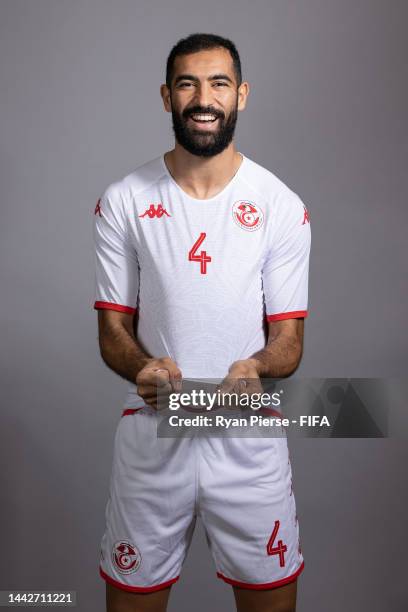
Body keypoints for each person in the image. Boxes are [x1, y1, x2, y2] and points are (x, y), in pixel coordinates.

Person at [93, 32, 311, 612]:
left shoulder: (279, 205)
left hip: (248, 440)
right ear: (167, 97)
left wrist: (257, 366)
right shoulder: (125, 199)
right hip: (153, 432)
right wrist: (144, 368)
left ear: (241, 95)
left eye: (218, 83)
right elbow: (111, 332)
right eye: (188, 83)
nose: (203, 98)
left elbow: (289, 342)